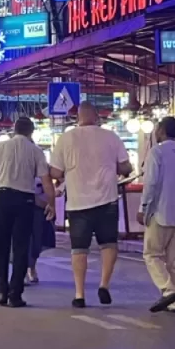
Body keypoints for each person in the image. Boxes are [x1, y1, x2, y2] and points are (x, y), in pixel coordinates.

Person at [50, 102, 131, 308]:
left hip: (78, 203)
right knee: (109, 244)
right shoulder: (111, 136)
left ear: (77, 117)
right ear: (96, 116)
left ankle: (79, 294)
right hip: (107, 200)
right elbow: (125, 167)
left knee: (79, 249)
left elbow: (56, 173)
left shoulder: (66, 138)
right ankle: (104, 285)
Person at [0, 116, 56, 307]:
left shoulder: (0, 148)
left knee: (2, 246)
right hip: (25, 201)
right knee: (21, 247)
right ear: (30, 132)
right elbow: (46, 181)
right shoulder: (36, 151)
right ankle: (15, 294)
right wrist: (51, 204)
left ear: (14, 130)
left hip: (2, 198)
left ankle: (1, 292)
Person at [138, 116, 175, 312]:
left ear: (161, 130)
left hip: (160, 212)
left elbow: (151, 183)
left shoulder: (157, 152)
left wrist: (143, 208)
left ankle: (168, 290)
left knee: (151, 254)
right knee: (173, 259)